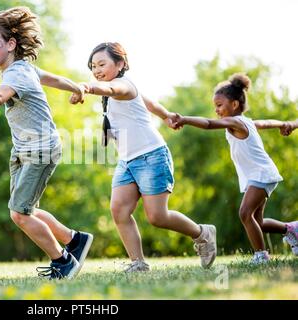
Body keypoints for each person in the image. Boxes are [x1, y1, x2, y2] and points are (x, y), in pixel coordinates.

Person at [0, 7, 93, 279]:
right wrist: (77, 88)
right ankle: (75, 241)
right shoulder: (25, 69)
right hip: (24, 151)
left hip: (39, 149)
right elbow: (53, 79)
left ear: (11, 44)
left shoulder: (16, 74)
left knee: (19, 214)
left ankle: (63, 261)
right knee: (27, 209)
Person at [70, 42, 217, 271]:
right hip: (127, 161)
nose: (96, 70)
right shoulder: (124, 88)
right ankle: (138, 263)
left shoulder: (120, 86)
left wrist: (85, 88)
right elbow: (149, 103)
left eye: (102, 64)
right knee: (119, 210)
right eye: (93, 66)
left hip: (151, 156)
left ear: (120, 64)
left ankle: (203, 233)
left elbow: (110, 89)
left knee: (157, 217)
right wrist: (167, 115)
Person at [171, 73, 298, 263]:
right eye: (215, 106)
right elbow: (266, 123)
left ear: (235, 104)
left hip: (260, 174)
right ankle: (291, 229)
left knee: (245, 214)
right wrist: (287, 124)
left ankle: (261, 256)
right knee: (258, 222)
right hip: (260, 174)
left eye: (220, 105)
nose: (216, 110)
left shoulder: (236, 122)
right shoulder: (246, 122)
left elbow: (208, 124)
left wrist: (185, 119)